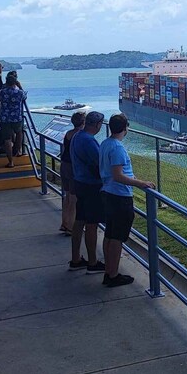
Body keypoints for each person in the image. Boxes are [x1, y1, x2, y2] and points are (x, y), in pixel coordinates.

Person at [99, 113, 154, 287]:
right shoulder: (117, 148)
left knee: (109, 234)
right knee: (117, 238)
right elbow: (118, 176)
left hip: (107, 193)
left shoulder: (105, 143)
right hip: (119, 197)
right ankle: (113, 275)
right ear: (125, 128)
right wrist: (141, 183)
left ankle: (109, 271)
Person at [69, 111, 106, 273]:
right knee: (92, 224)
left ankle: (75, 259)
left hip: (79, 183)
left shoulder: (77, 136)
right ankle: (92, 262)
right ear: (98, 125)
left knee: (79, 221)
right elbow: (100, 164)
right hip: (91, 186)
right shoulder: (89, 141)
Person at [58, 111, 85, 235]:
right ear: (83, 122)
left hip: (64, 165)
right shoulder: (79, 135)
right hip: (73, 167)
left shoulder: (68, 133)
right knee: (74, 199)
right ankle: (71, 226)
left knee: (67, 196)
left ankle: (64, 223)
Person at [0, 75, 27, 167]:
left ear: (6, 82)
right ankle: (18, 151)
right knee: (19, 133)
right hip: (16, 118)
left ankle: (11, 161)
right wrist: (20, 86)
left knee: (7, 139)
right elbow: (24, 97)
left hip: (4, 118)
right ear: (15, 82)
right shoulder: (19, 92)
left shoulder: (1, 92)